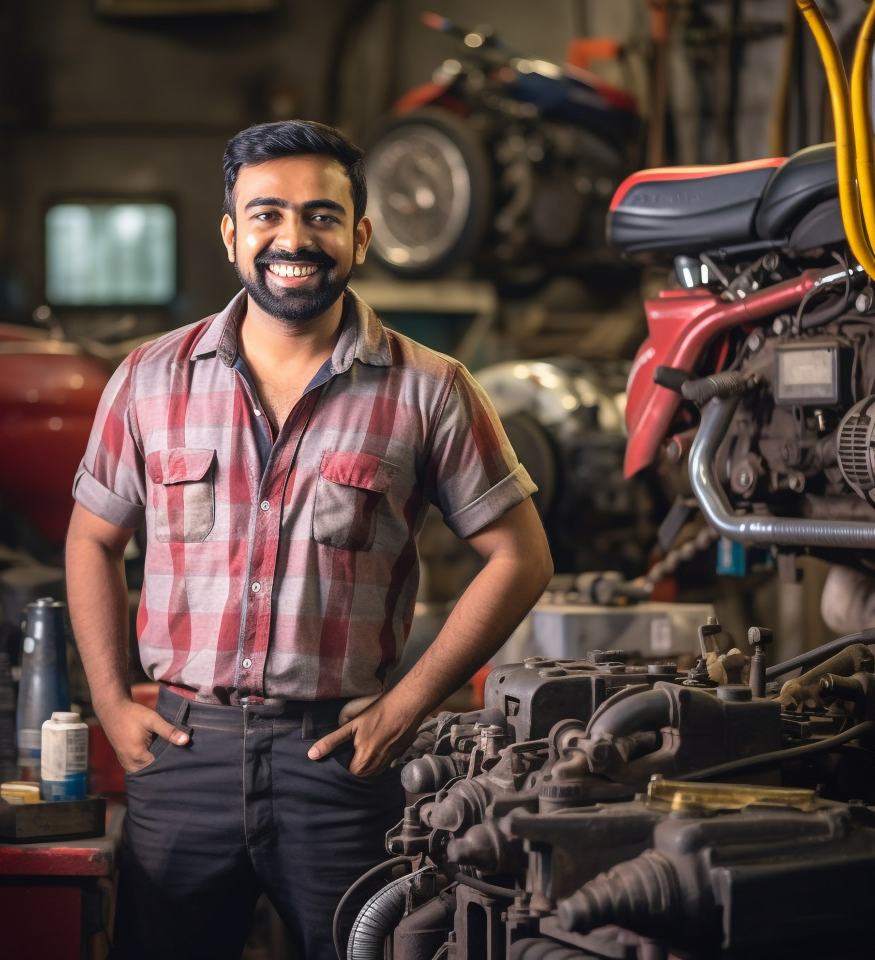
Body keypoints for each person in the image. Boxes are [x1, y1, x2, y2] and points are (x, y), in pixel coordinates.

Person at [65, 119, 553, 960]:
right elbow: (92, 538)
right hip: (183, 756)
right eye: (267, 215)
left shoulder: (430, 390)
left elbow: (522, 556)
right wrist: (111, 703)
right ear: (231, 235)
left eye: (322, 217)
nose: (294, 239)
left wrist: (408, 705)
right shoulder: (149, 378)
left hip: (341, 763)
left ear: (361, 234)